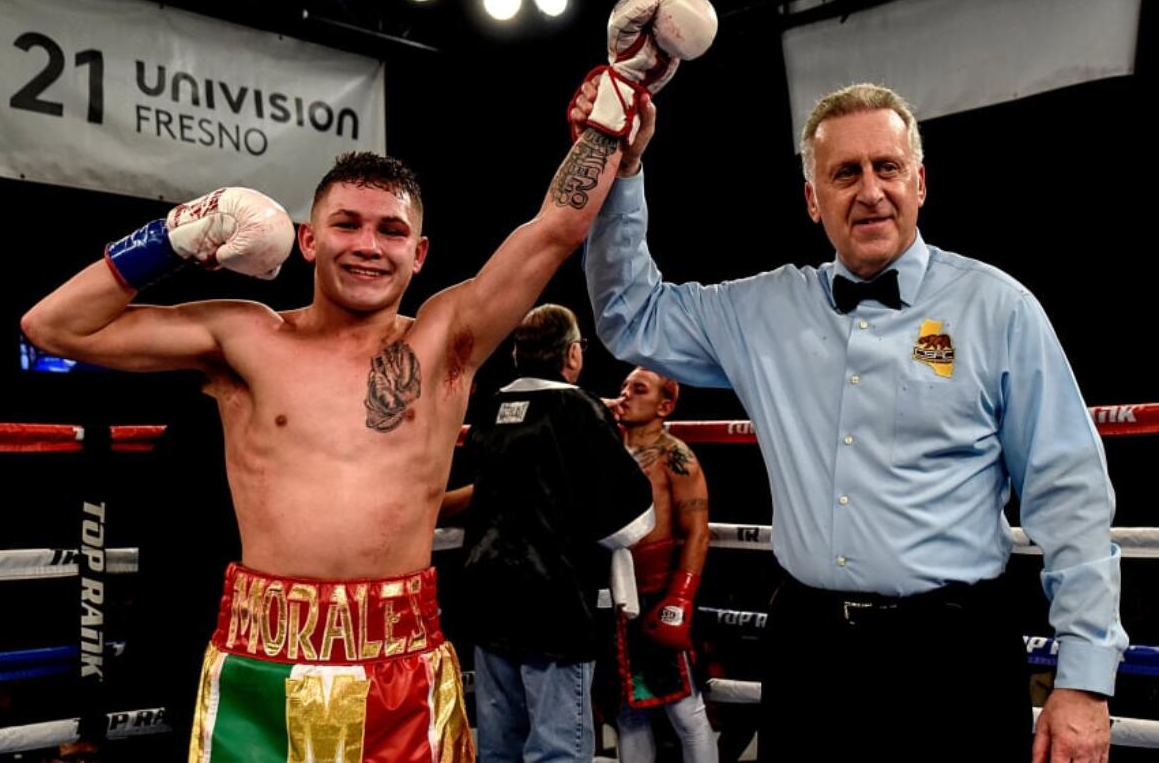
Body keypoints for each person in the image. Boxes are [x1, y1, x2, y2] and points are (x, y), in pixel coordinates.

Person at [20, 120, 634, 761]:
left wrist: (613, 113)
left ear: (418, 253)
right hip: (260, 663)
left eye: (391, 230)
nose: (368, 245)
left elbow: (555, 229)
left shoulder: (447, 339)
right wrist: (176, 238)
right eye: (348, 224)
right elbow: (54, 328)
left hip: (403, 665)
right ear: (309, 240)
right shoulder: (245, 337)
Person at [573, 81, 1126, 762]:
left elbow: (1069, 492)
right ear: (813, 199)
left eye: (887, 167)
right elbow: (629, 313)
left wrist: (1085, 681)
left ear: (920, 183)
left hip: (954, 655)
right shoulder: (763, 312)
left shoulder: (997, 309)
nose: (870, 191)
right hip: (812, 655)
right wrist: (622, 170)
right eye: (845, 173)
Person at [450, 304, 654, 763]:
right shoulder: (578, 410)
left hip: (487, 597)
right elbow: (630, 516)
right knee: (558, 749)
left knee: (498, 746)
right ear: (572, 355)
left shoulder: (493, 407)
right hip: (554, 604)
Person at [604, 366, 718, 763]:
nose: (626, 394)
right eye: (623, 387)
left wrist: (679, 598)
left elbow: (697, 533)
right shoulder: (607, 451)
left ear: (664, 405)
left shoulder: (676, 455)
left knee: (686, 711)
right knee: (629, 714)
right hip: (615, 595)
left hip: (659, 592)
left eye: (639, 389)